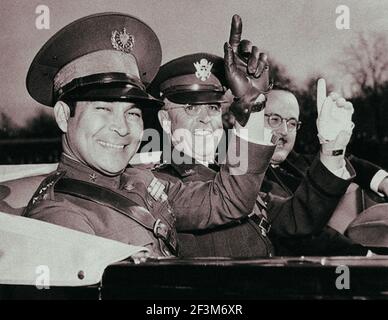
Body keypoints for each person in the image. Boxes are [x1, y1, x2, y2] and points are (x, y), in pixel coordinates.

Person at [22, 13, 276, 258]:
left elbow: (228, 201)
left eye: (132, 113)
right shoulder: (59, 217)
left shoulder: (140, 181)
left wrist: (253, 104)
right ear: (64, 115)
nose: (122, 128)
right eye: (103, 109)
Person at [149, 47, 359, 257]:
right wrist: (254, 110)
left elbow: (298, 218)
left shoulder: (226, 172)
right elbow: (227, 199)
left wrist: (332, 147)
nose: (206, 119)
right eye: (191, 108)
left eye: (213, 107)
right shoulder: (156, 184)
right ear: (165, 121)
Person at [261, 89, 388, 255]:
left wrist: (384, 182)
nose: (284, 131)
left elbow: (349, 161)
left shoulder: (298, 162)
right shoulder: (246, 178)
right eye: (275, 120)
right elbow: (299, 230)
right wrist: (367, 257)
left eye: (292, 123)